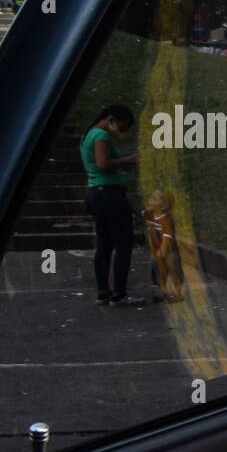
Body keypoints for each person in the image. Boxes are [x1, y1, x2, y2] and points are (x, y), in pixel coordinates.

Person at [80, 104, 144, 306]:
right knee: (124, 243)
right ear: (111, 119)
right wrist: (130, 160)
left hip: (97, 195)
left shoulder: (89, 134)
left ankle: (104, 292)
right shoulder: (102, 136)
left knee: (105, 245)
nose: (121, 132)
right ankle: (120, 293)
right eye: (122, 127)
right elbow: (103, 164)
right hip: (109, 196)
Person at [143, 188, 184, 303]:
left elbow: (167, 235)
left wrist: (163, 249)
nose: (150, 200)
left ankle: (177, 293)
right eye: (151, 198)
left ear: (163, 205)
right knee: (160, 272)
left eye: (154, 199)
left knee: (174, 270)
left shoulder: (166, 219)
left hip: (169, 251)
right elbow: (141, 213)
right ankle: (164, 291)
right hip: (156, 250)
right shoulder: (151, 215)